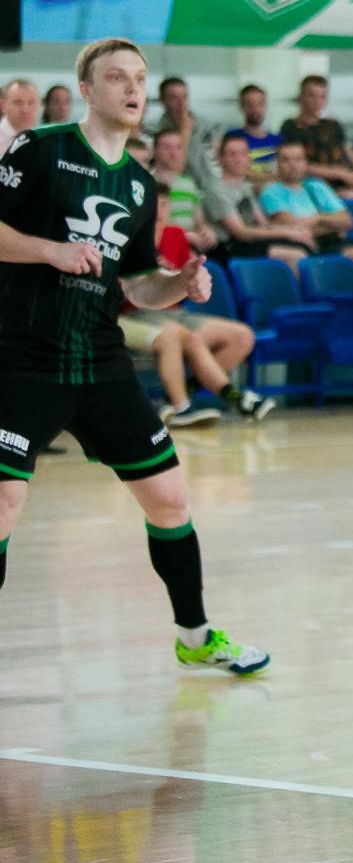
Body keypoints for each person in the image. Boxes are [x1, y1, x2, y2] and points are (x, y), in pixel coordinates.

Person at [0, 37, 267, 674]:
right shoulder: (39, 149)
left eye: (140, 78)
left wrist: (180, 283)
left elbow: (138, 285)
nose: (132, 89)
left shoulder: (141, 185)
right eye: (117, 77)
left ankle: (195, 638)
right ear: (87, 90)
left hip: (100, 362)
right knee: (4, 504)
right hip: (21, 359)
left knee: (170, 499)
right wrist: (50, 250)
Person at [122, 184, 275, 425]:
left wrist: (191, 282)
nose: (160, 211)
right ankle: (224, 399)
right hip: (139, 312)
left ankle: (180, 392)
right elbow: (130, 292)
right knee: (186, 337)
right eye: (154, 205)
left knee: (242, 336)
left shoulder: (176, 236)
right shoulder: (131, 235)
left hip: (176, 312)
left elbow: (184, 289)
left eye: (165, 205)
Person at [205, 133, 312, 268]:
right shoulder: (217, 191)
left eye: (243, 154)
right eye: (232, 154)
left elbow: (263, 224)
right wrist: (287, 233)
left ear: (249, 158)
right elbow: (241, 233)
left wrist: (294, 231)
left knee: (302, 245)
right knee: (296, 254)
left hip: (249, 243)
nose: (238, 159)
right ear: (221, 159)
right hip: (228, 248)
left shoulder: (245, 187)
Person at [261, 142, 353, 258]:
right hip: (299, 246)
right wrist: (334, 227)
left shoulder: (317, 185)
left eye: (298, 159)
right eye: (286, 160)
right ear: (277, 163)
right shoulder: (271, 192)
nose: (293, 165)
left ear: (306, 162)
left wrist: (318, 218)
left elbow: (347, 221)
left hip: (330, 242)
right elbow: (296, 228)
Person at [279, 74, 353, 197]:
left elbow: (347, 150)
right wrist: (339, 174)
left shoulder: (333, 125)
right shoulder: (291, 127)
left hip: (347, 178)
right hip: (314, 183)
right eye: (312, 96)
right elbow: (296, 164)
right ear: (300, 98)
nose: (317, 101)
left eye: (322, 97)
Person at [148, 128, 218, 255]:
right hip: (160, 248)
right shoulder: (147, 183)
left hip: (190, 247)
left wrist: (207, 232)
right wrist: (185, 236)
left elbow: (200, 222)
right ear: (154, 151)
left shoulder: (189, 184)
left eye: (178, 148)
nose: (173, 153)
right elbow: (150, 226)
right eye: (167, 147)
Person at [154, 77, 221, 187]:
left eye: (184, 97)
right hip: (179, 188)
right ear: (162, 100)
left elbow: (218, 160)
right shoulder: (156, 131)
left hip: (212, 186)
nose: (181, 103)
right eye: (174, 98)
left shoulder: (207, 126)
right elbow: (173, 166)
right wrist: (184, 132)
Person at [0, 79, 41, 156]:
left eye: (31, 102)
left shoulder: (44, 138)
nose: (25, 110)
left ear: (39, 104)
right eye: (18, 102)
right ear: (3, 105)